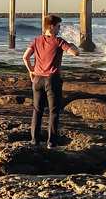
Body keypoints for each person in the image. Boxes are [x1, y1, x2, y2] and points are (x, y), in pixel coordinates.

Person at [22, 14, 82, 148]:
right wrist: (73, 45)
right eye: (58, 26)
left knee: (37, 110)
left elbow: (25, 57)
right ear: (52, 26)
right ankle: (51, 143)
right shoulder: (59, 41)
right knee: (53, 112)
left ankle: (34, 140)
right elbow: (76, 53)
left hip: (37, 80)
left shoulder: (36, 40)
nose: (59, 29)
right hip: (52, 80)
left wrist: (31, 71)